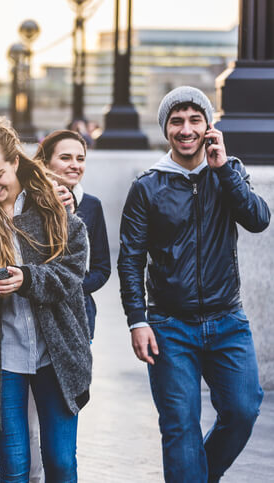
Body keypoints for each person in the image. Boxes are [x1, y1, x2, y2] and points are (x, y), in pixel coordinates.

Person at [118, 86, 270, 482]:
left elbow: (258, 219)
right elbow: (130, 259)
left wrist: (223, 170)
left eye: (194, 120)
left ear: (208, 126)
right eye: (177, 121)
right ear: (166, 128)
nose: (186, 129)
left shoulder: (228, 171)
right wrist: (138, 320)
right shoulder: (147, 187)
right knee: (180, 427)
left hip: (227, 321)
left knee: (242, 410)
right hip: (169, 327)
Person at [0, 116, 91, 483]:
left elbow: (73, 270)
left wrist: (27, 278)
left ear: (14, 160)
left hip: (56, 353)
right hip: (2, 358)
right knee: (14, 468)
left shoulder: (52, 203)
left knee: (60, 462)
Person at [35, 130, 110, 339]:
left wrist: (68, 288)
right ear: (45, 162)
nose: (75, 165)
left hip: (79, 315)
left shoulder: (92, 205)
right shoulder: (27, 203)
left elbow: (102, 269)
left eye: (81, 159)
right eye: (65, 158)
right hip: (37, 315)